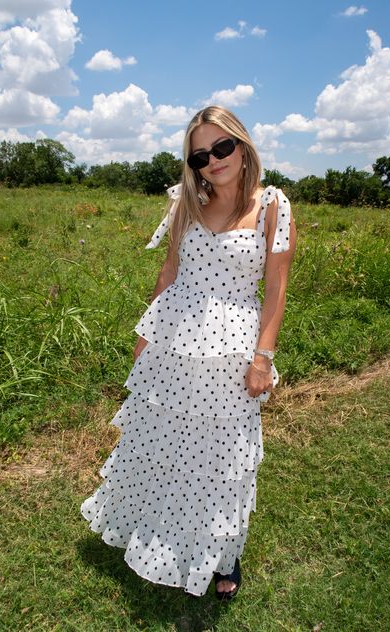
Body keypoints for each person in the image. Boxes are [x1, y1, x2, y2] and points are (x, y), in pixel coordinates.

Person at [81, 105, 297, 601]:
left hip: (233, 349)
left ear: (243, 147)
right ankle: (153, 529)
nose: (213, 161)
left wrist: (263, 358)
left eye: (222, 147)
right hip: (175, 341)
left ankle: (222, 554)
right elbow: (168, 273)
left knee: (223, 455)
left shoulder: (272, 206)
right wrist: (146, 337)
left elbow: (276, 291)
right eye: (201, 154)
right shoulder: (187, 203)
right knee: (164, 441)